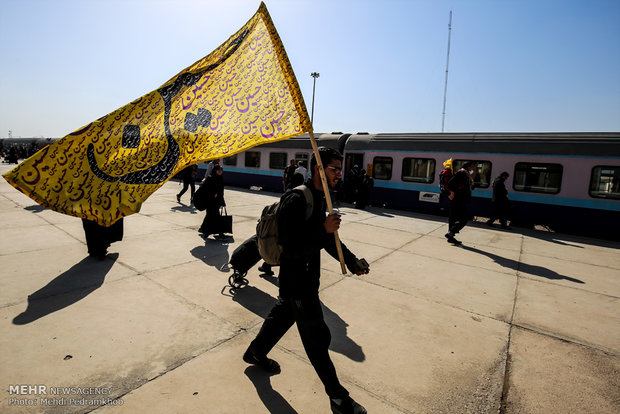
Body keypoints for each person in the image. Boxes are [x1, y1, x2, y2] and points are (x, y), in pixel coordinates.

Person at [243, 147, 370, 414]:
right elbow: (289, 248)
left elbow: (327, 240)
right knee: (317, 340)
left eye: (340, 169)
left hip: (305, 282)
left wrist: (351, 260)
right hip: (297, 282)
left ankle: (255, 353)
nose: (339, 174)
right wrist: (322, 229)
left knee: (281, 317)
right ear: (318, 170)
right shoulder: (296, 199)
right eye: (334, 169)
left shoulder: (319, 198)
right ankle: (338, 398)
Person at [445, 161, 476, 245]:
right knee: (464, 218)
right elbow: (450, 184)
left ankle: (451, 236)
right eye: (472, 167)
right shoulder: (461, 173)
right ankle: (450, 233)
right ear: (468, 167)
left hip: (460, 200)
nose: (473, 168)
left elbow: (468, 187)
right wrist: (452, 194)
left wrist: (472, 181)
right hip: (457, 200)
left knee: (454, 218)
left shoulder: (466, 174)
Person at [198, 165, 227, 239]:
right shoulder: (210, 178)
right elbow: (205, 189)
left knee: (210, 216)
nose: (220, 171)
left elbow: (221, 192)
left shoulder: (220, 178)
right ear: (215, 170)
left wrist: (222, 201)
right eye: (218, 169)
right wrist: (213, 194)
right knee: (215, 216)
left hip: (217, 201)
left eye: (221, 169)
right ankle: (220, 234)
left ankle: (204, 231)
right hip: (210, 201)